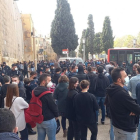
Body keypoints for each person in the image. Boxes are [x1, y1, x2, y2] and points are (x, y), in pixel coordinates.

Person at [106, 67, 140, 140]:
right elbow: (137, 109)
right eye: (125, 76)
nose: (127, 77)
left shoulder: (112, 88)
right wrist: (133, 110)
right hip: (126, 128)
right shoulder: (121, 93)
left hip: (117, 125)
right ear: (119, 79)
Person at [33, 73, 58, 140]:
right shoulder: (47, 93)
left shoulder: (34, 90)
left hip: (39, 118)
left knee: (40, 137)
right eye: (49, 80)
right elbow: (53, 106)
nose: (50, 82)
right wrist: (56, 115)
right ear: (44, 82)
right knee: (52, 138)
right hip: (48, 119)